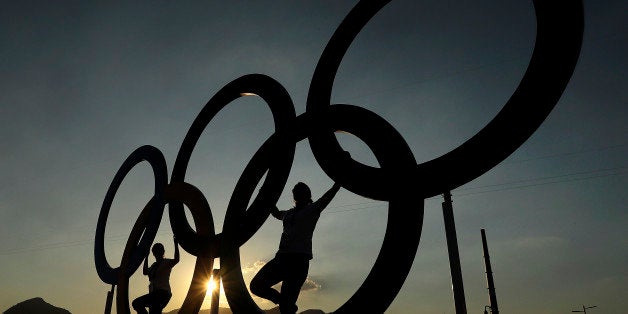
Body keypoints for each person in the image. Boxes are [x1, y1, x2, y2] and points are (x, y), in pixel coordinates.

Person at [250, 180, 342, 314]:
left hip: (298, 264)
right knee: (256, 286)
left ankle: (286, 305)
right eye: (296, 193)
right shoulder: (288, 214)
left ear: (307, 195)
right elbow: (276, 213)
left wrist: (337, 184)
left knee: (286, 309)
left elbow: (326, 198)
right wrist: (264, 196)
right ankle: (284, 302)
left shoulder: (312, 210)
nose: (297, 195)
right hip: (281, 260)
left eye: (300, 192)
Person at [132, 236, 180, 314]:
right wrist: (146, 257)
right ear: (154, 253)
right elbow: (145, 271)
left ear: (163, 252)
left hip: (163, 293)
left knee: (144, 304)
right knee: (137, 304)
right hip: (154, 294)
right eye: (156, 251)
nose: (157, 253)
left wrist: (176, 244)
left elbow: (176, 259)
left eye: (159, 251)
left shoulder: (166, 262)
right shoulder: (153, 266)